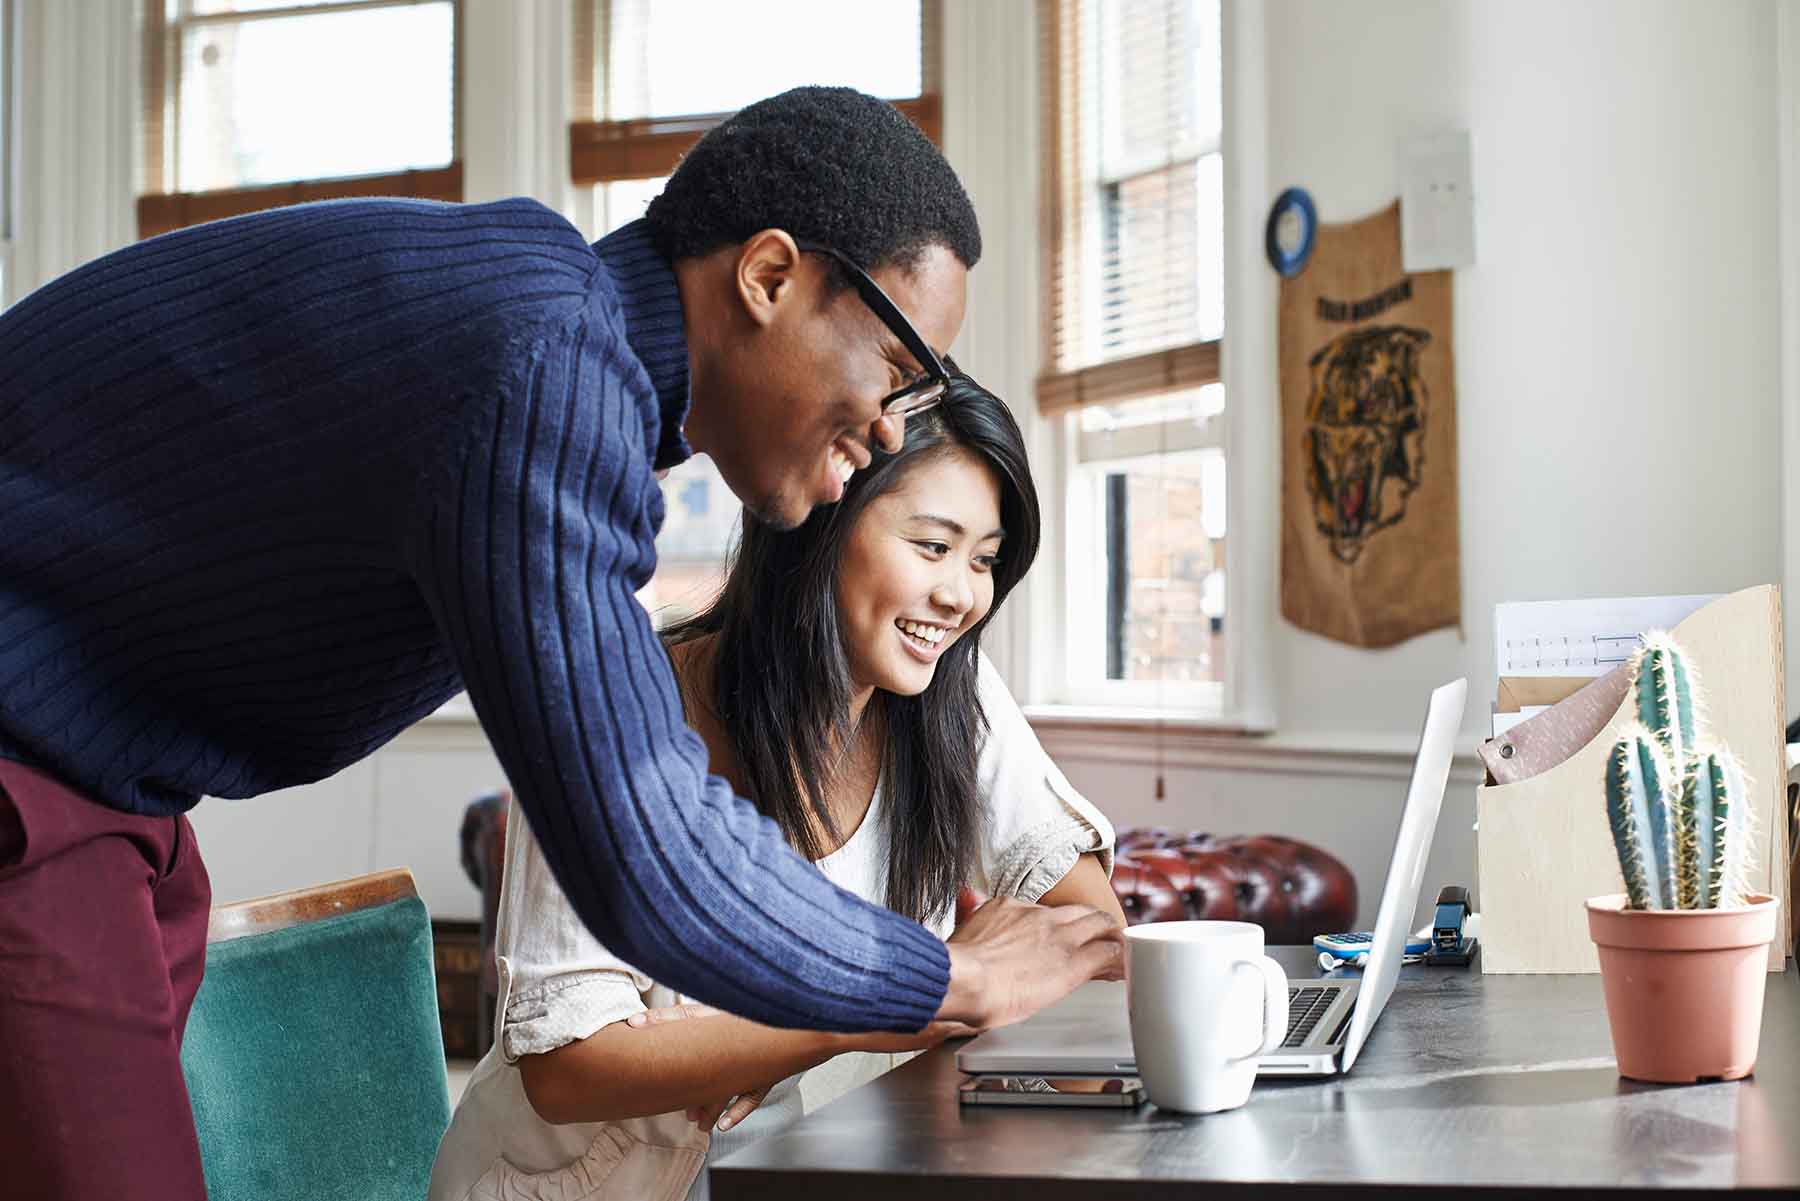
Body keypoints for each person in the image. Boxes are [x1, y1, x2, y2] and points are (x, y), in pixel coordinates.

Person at [0, 87, 1122, 1199]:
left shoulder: (550, 347)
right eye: (895, 363)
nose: (890, 422)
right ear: (770, 276)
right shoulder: (539, 365)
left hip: (118, 788)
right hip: (36, 776)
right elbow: (649, 857)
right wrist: (940, 979)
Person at [429, 370, 1125, 1201]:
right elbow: (569, 1065)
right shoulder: (617, 703)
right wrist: (888, 998)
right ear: (822, 522)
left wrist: (910, 997)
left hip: (810, 1168)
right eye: (933, 546)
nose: (961, 594)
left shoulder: (949, 693)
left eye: (985, 560)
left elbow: (1093, 932)